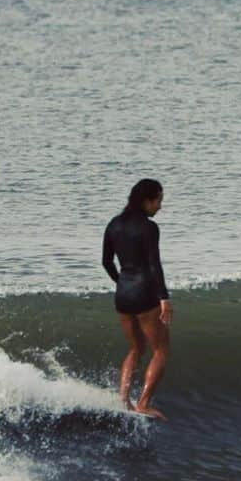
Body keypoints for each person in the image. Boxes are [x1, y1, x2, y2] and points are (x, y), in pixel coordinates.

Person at [102, 178, 173, 419]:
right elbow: (154, 265)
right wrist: (164, 298)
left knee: (136, 349)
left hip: (123, 295)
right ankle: (143, 403)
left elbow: (106, 262)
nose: (160, 207)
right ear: (147, 200)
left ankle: (123, 401)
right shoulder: (149, 228)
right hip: (144, 294)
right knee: (161, 350)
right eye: (158, 201)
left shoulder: (114, 224)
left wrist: (121, 282)